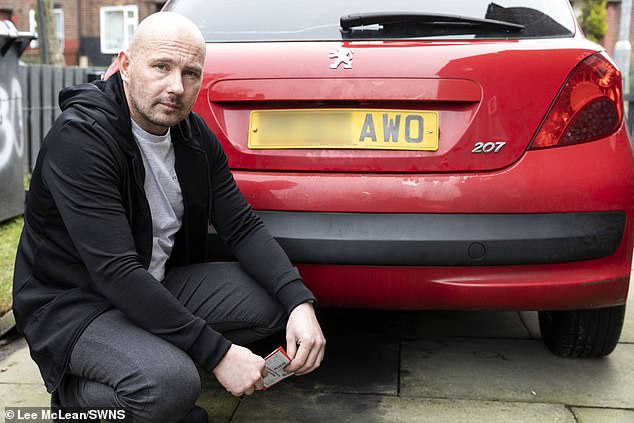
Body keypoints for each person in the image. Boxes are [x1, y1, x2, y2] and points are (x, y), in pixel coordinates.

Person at [12, 11, 325, 423]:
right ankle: (76, 397)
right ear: (125, 66)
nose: (176, 87)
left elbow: (242, 226)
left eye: (190, 73)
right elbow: (116, 270)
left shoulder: (194, 138)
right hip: (75, 305)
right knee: (172, 386)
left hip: (151, 282)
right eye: (161, 67)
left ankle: (149, 355)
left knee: (274, 301)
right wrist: (218, 354)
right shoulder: (82, 138)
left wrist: (300, 302)